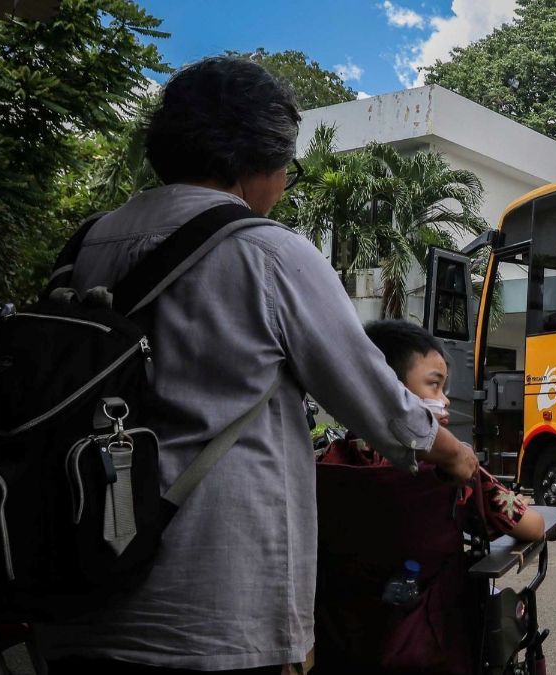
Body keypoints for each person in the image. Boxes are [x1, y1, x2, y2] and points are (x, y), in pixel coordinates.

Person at [37, 57, 477, 675]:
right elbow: (377, 401)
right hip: (214, 606)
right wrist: (455, 455)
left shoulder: (83, 247)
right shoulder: (268, 252)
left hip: (77, 582)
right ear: (256, 164)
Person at [320, 319, 545, 542]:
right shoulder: (452, 463)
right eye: (434, 385)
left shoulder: (329, 461)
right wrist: (516, 506)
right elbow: (533, 527)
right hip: (432, 577)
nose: (445, 401)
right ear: (392, 391)